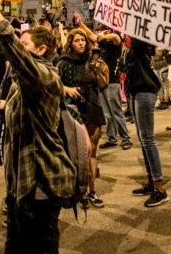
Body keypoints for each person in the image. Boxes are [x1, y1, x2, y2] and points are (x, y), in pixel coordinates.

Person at [0, 0, 74, 253]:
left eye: (25, 45)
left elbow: (19, 59)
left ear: (42, 49)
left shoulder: (45, 76)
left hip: (41, 182)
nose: (18, 52)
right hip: (20, 184)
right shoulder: (19, 85)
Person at [57, 28, 107, 208]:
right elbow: (55, 84)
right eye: (77, 40)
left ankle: (91, 192)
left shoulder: (92, 61)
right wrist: (67, 89)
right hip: (73, 109)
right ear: (70, 43)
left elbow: (102, 85)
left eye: (83, 40)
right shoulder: (63, 63)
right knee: (78, 151)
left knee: (92, 150)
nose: (81, 43)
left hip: (93, 107)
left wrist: (99, 72)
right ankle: (78, 189)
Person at [123, 36, 168, 207]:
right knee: (143, 139)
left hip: (144, 91)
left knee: (148, 139)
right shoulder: (131, 48)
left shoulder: (140, 44)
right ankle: (152, 182)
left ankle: (160, 188)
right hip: (135, 91)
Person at [96, 30, 132, 150]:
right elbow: (92, 36)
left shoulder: (115, 45)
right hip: (102, 83)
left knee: (116, 112)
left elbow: (116, 37)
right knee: (107, 114)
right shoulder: (102, 46)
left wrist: (104, 35)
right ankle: (112, 138)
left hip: (112, 82)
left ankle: (126, 138)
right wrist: (81, 24)